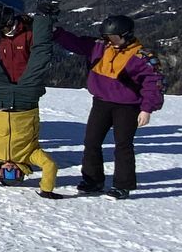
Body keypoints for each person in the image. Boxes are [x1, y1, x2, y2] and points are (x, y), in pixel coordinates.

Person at [54, 13, 165, 199]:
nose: (111, 41)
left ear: (127, 35)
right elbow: (76, 43)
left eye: (115, 37)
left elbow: (154, 83)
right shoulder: (100, 47)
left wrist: (147, 108)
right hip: (101, 102)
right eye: (108, 37)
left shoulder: (141, 57)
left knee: (123, 145)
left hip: (127, 106)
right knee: (91, 142)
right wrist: (56, 33)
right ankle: (92, 180)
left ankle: (123, 185)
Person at [0, 1, 60, 197]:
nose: (8, 168)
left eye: (5, 172)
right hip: (26, 100)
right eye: (14, 173)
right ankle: (44, 16)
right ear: (21, 172)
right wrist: (46, 190)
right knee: (41, 56)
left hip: (1, 100)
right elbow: (49, 166)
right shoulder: (30, 155)